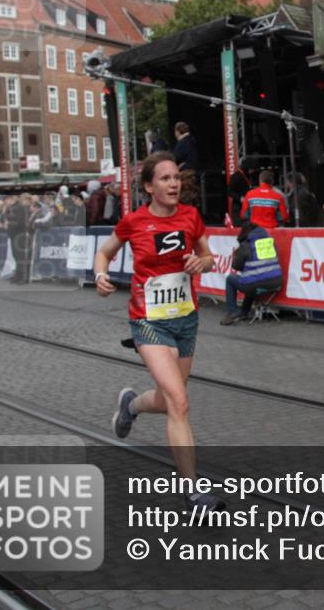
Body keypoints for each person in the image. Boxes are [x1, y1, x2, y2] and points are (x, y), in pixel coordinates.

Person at [94, 151, 222, 510]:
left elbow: (209, 256)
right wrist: (100, 275)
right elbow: (104, 252)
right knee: (180, 402)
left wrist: (202, 262)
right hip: (148, 321)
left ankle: (131, 405)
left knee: (169, 400)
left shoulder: (191, 216)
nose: (173, 184)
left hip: (185, 320)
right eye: (165, 179)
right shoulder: (134, 222)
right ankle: (194, 492)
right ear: (149, 186)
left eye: (176, 179)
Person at [220, 222, 284, 325]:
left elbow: (236, 266)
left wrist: (236, 255)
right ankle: (244, 312)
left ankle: (232, 312)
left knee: (231, 279)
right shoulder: (270, 242)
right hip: (276, 282)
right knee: (250, 278)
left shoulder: (246, 245)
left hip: (256, 284)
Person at [173, 122, 200, 207]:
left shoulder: (182, 143)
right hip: (193, 172)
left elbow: (175, 158)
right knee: (191, 197)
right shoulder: (193, 140)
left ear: (178, 131)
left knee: (184, 197)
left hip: (185, 173)